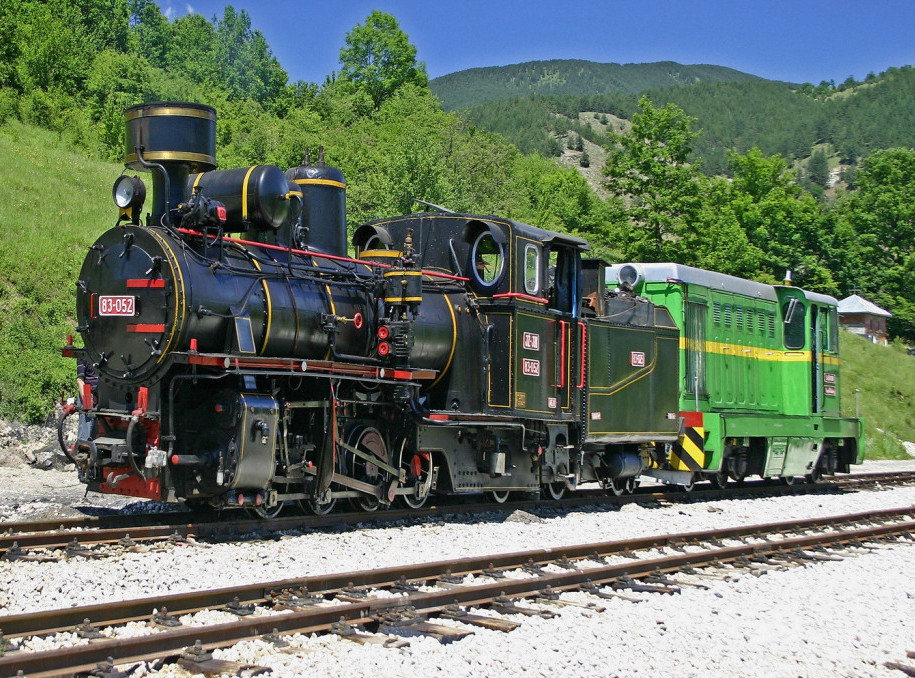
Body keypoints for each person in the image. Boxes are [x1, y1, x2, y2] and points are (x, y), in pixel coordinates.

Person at [76, 358, 98, 441]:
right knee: (86, 424)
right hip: (89, 394)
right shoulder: (84, 356)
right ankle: (83, 447)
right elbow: (80, 380)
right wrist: (86, 400)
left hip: (102, 395)